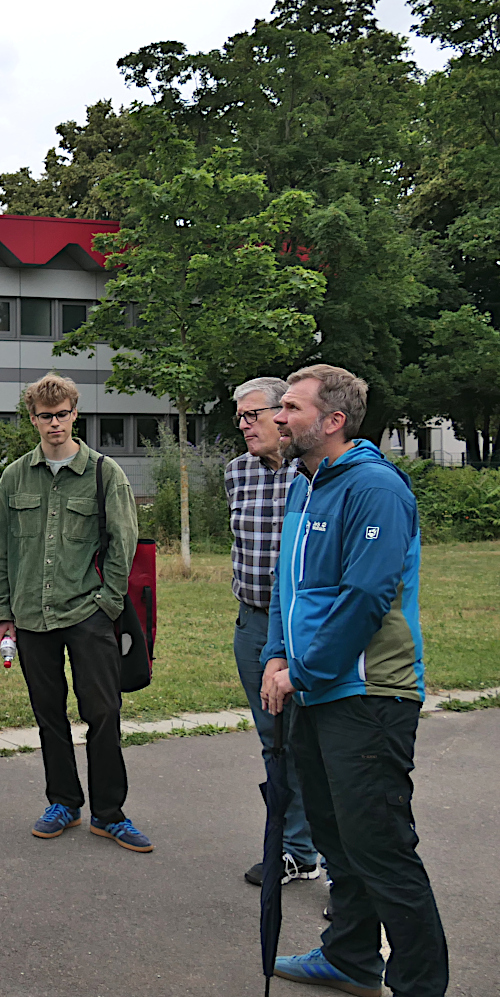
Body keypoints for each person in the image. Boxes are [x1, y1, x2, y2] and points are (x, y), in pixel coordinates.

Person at [261, 364, 447, 997]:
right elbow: (289, 588)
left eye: (289, 407)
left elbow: (365, 594)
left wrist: (304, 669)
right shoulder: (303, 486)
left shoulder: (376, 488)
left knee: (382, 849)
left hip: (369, 695)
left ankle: (420, 985)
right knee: (338, 841)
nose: (277, 417)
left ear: (332, 419)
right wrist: (275, 656)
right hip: (314, 690)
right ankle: (350, 958)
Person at [0, 374, 152, 853]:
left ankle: (110, 814)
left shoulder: (105, 473)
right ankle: (63, 803)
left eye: (62, 414)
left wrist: (107, 604)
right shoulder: (15, 476)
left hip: (88, 614)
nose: (54, 423)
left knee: (103, 712)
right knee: (48, 715)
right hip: (31, 618)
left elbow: (124, 545)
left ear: (75, 414)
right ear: (33, 419)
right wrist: (3, 614)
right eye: (45, 416)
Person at [224, 377, 320, 889]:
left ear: (282, 415)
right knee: (273, 740)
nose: (242, 426)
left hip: (303, 626)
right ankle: (292, 848)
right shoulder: (236, 472)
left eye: (250, 415)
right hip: (253, 623)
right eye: (237, 418)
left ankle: (315, 850)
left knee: (312, 740)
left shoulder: (313, 476)